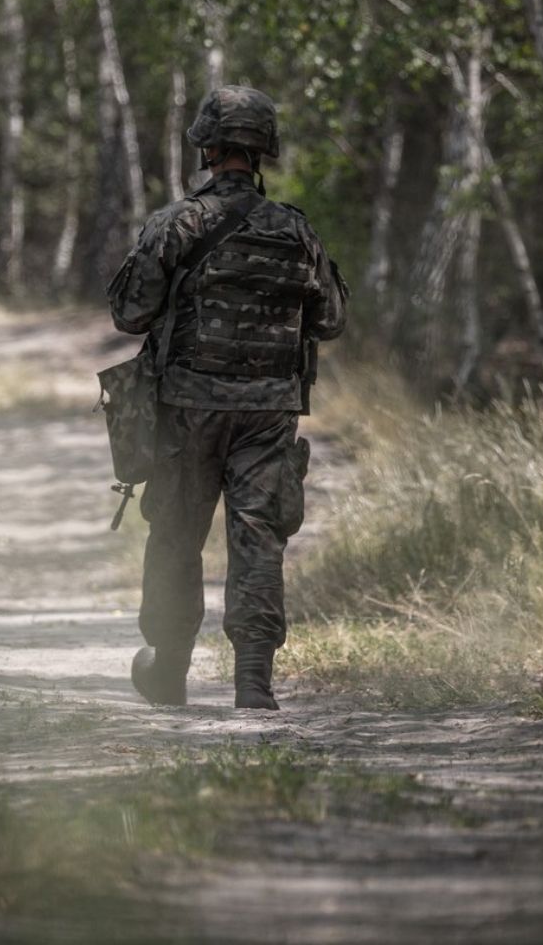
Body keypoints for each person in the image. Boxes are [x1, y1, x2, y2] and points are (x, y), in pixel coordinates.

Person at [107, 84, 347, 710]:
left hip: (188, 411)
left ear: (207, 149)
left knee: (177, 538)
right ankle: (253, 685)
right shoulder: (297, 231)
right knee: (258, 538)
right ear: (263, 151)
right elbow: (332, 320)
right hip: (268, 415)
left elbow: (130, 315)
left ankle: (168, 673)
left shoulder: (176, 224)